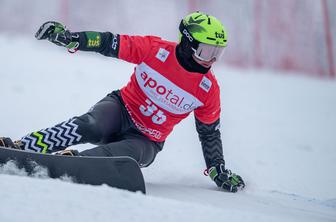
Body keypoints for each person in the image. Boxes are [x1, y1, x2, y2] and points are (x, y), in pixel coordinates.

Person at [0, 12, 245, 192]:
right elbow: (109, 42)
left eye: (217, 52)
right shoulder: (155, 50)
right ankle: (23, 146)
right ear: (188, 41)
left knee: (123, 154)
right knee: (91, 125)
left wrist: (217, 169)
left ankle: (73, 160)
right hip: (120, 109)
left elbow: (209, 133)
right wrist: (73, 38)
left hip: (147, 140)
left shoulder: (208, 89)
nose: (211, 60)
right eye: (206, 50)